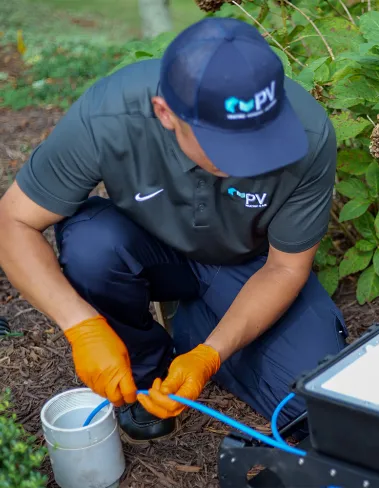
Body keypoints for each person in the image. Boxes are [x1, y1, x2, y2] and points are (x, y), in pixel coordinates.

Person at [0, 17, 347, 443]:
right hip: (152, 248)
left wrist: (210, 354)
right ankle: (146, 367)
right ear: (166, 113)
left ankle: (196, 330)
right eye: (227, 147)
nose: (247, 163)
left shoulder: (307, 134)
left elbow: (285, 269)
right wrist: (81, 326)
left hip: (251, 267)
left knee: (315, 403)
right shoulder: (109, 116)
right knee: (91, 241)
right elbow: (12, 221)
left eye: (261, 142)